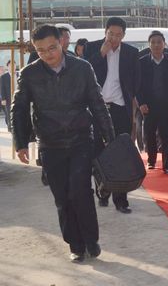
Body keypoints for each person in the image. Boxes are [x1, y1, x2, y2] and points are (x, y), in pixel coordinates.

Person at [11, 25, 115, 263]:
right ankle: (75, 245)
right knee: (62, 196)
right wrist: (21, 142)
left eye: (52, 48)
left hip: (81, 140)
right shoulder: (29, 74)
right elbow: (19, 109)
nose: (47, 54)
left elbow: (97, 103)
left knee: (80, 191)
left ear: (61, 43)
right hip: (50, 144)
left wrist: (110, 137)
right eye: (40, 51)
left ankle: (91, 240)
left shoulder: (82, 68)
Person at [84, 17, 139, 214]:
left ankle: (121, 199)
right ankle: (103, 190)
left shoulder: (131, 52)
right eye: (111, 34)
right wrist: (101, 54)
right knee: (98, 152)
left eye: (118, 35)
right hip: (97, 109)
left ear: (123, 35)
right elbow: (84, 73)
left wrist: (133, 105)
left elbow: (135, 81)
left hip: (120, 108)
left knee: (121, 153)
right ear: (105, 32)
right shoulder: (92, 48)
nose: (114, 38)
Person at [136, 30, 168, 175]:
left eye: (159, 42)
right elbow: (138, 85)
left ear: (164, 44)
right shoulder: (142, 62)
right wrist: (141, 103)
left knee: (167, 135)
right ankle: (151, 160)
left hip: (167, 104)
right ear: (149, 44)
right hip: (149, 105)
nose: (156, 45)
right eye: (153, 42)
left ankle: (167, 165)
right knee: (149, 134)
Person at [1, 60, 12, 131]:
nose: (13, 66)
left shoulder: (19, 74)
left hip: (18, 97)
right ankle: (10, 128)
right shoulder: (4, 77)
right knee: (8, 113)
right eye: (10, 65)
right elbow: (2, 88)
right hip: (8, 98)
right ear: (7, 67)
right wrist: (3, 99)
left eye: (14, 65)